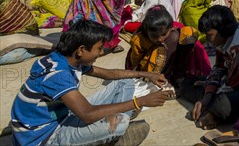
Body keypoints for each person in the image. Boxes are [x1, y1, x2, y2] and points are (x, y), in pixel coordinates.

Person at [10, 19, 174, 146]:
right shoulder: (57, 75)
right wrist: (140, 102)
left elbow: (110, 74)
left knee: (125, 82)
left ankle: (116, 120)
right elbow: (87, 114)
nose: (102, 52)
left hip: (62, 116)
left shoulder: (68, 59)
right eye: (99, 48)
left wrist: (146, 74)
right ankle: (113, 133)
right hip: (44, 138)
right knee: (120, 123)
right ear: (81, 50)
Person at [188, 6, 239, 130]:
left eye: (209, 35)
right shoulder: (222, 40)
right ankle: (211, 107)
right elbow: (219, 68)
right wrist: (208, 93)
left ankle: (214, 112)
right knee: (190, 82)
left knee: (223, 105)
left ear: (223, 31)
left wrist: (207, 95)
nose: (208, 41)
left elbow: (231, 84)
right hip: (230, 78)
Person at [126, 5, 211, 85]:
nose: (159, 39)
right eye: (154, 36)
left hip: (171, 65)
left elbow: (198, 50)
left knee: (184, 37)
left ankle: (176, 75)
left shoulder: (175, 30)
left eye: (163, 35)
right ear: (146, 31)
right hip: (147, 69)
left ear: (171, 28)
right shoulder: (140, 39)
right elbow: (134, 61)